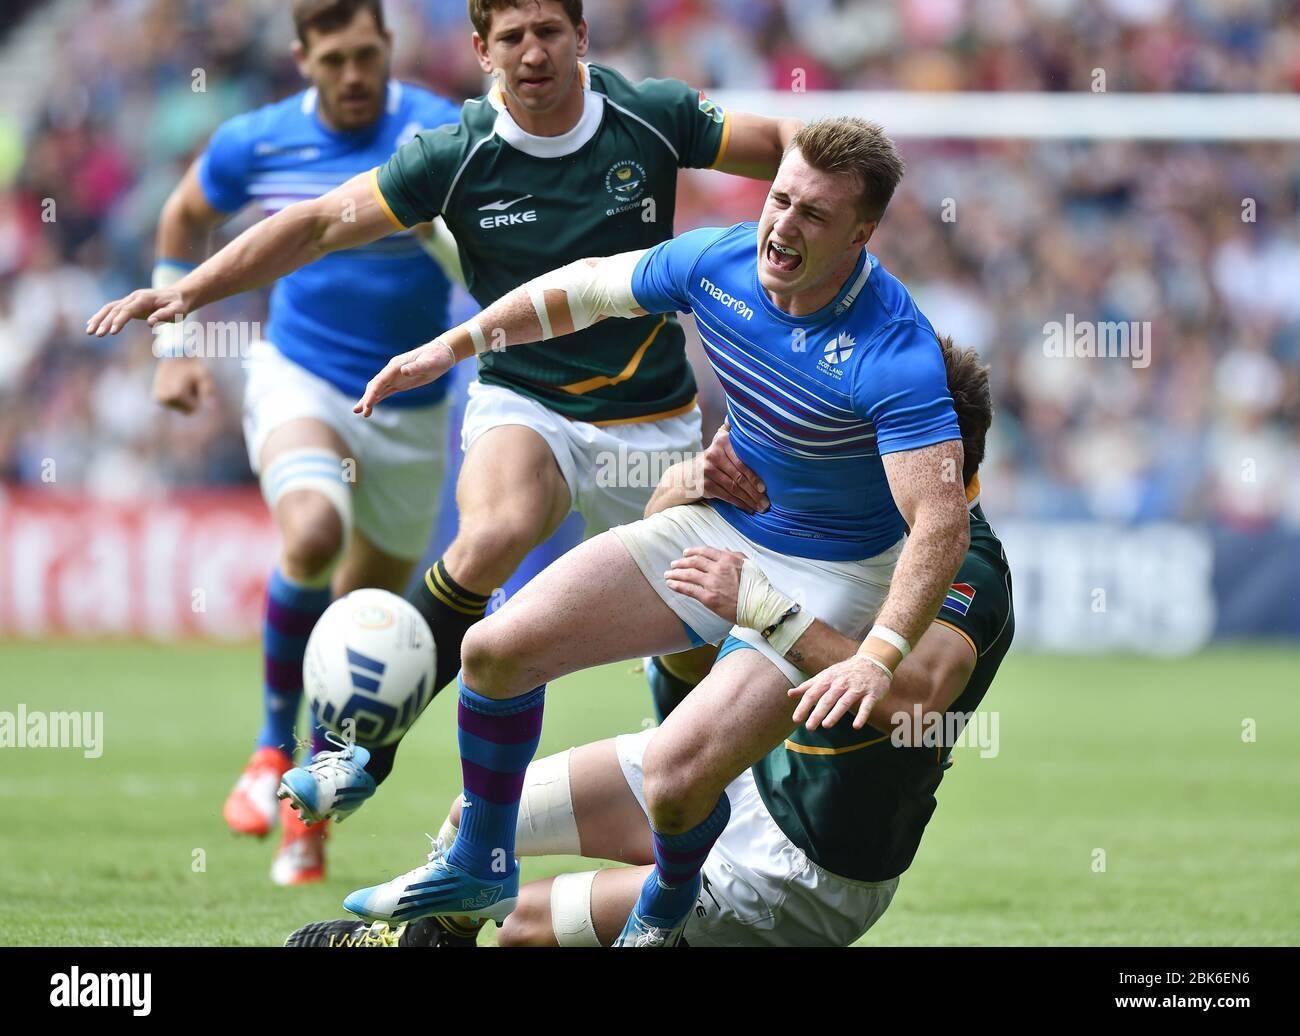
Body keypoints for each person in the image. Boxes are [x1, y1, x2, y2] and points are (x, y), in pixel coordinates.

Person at [86, 0, 801, 819]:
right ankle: (358, 754)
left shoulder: (655, 116)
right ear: (481, 50)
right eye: (512, 38)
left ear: (581, 38)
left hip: (651, 421)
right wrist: (187, 293)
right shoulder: (457, 155)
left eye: (548, 33)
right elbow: (316, 224)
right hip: (521, 396)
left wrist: (805, 231)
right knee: (492, 535)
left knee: (690, 639)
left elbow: (783, 144)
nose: (533, 53)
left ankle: (701, 804)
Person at [340, 116, 972, 946]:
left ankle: (669, 898)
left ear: (862, 232)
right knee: (494, 652)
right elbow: (586, 287)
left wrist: (877, 655)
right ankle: (480, 863)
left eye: (813, 216)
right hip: (726, 527)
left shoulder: (894, 351)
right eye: (779, 198)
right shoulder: (718, 264)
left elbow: (940, 520)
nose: (782, 226)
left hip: (833, 576)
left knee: (675, 780)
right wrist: (454, 346)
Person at [286, 336, 1014, 948]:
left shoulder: (967, 560)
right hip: (725, 771)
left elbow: (917, 698)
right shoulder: (838, 510)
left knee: (525, 930)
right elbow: (676, 568)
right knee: (475, 818)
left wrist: (768, 610)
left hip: (803, 862)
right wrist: (687, 488)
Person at [143, 0, 461, 885]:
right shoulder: (258, 139)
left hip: (411, 404)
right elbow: (179, 221)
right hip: (300, 373)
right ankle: (263, 749)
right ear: (302, 58)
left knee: (363, 626)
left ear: (389, 49)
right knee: (312, 531)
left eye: (367, 55)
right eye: (335, 60)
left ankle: (305, 815)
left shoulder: (439, 127)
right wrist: (172, 352)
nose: (353, 75)